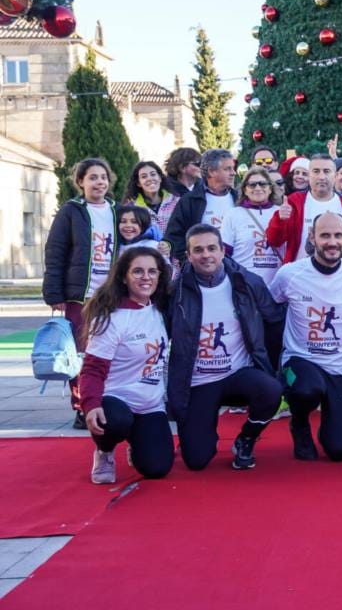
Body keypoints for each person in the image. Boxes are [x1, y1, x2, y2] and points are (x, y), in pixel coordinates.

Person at [168, 225, 285, 470]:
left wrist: (272, 368)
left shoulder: (247, 282)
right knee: (196, 460)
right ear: (188, 255)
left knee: (271, 390)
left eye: (212, 248)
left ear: (223, 251)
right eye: (198, 250)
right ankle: (201, 433)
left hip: (238, 374)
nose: (206, 255)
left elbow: (274, 321)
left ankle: (247, 438)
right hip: (198, 381)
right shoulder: (174, 292)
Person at [270, 212, 342, 460]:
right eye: (325, 235)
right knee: (307, 390)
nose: (332, 242)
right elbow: (269, 309)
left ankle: (332, 420)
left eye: (338, 235)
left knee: (339, 450)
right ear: (312, 237)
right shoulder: (289, 274)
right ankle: (300, 423)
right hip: (302, 360)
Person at [79, 246, 175, 483]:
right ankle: (104, 450)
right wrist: (90, 404)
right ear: (124, 277)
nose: (146, 277)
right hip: (116, 400)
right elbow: (92, 369)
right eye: (138, 271)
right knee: (117, 421)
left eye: (152, 271)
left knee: (157, 468)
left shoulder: (160, 309)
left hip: (150, 404)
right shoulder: (112, 317)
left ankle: (137, 441)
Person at [43, 158, 119, 429]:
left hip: (111, 295)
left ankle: (108, 401)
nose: (99, 182)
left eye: (103, 177)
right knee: (81, 354)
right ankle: (82, 406)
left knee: (111, 351)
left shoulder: (117, 211)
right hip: (80, 295)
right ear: (80, 182)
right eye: (93, 177)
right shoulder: (71, 211)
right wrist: (54, 293)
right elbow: (55, 252)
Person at [266, 154, 342, 263]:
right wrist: (279, 220)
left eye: (326, 171)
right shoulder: (294, 202)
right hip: (300, 270)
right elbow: (274, 241)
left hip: (337, 271)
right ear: (309, 175)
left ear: (335, 176)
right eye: (316, 171)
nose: (321, 177)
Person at [164, 148, 238, 263]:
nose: (233, 173)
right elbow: (174, 237)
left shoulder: (239, 198)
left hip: (237, 268)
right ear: (211, 171)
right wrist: (191, 262)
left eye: (233, 168)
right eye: (227, 169)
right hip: (202, 269)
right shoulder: (190, 201)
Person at [220, 167, 283, 286]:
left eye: (263, 184)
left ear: (270, 189)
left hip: (278, 286)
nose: (258, 188)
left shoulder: (281, 213)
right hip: (245, 285)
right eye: (252, 185)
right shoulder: (233, 214)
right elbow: (225, 253)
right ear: (245, 190)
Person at [122, 161, 179, 258]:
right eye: (144, 176)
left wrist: (169, 245)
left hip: (176, 261)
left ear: (160, 178)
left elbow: (182, 231)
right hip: (146, 260)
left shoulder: (177, 202)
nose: (149, 178)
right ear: (138, 183)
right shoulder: (131, 208)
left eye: (153, 174)